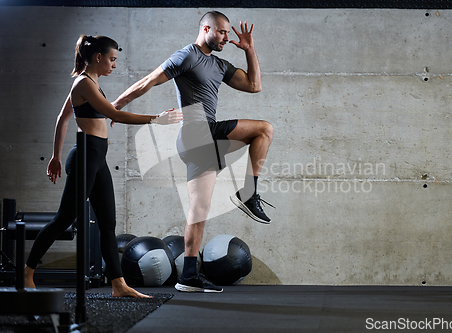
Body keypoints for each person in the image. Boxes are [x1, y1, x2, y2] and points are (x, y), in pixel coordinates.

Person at [112, 11, 273, 293]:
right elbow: (148, 81)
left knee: (199, 211)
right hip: (196, 131)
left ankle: (187, 277)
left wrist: (250, 49)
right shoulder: (186, 55)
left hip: (203, 140)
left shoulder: (219, 64)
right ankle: (248, 192)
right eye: (222, 32)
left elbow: (254, 85)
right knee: (263, 129)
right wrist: (114, 107)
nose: (227, 38)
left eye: (228, 34)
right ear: (207, 28)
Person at [24, 35, 182, 298]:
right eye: (112, 59)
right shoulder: (83, 83)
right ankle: (27, 272)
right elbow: (115, 115)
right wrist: (156, 120)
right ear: (98, 57)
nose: (114, 65)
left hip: (97, 158)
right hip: (86, 155)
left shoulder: (91, 83)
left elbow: (62, 117)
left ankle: (118, 285)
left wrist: (55, 156)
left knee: (108, 223)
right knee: (64, 219)